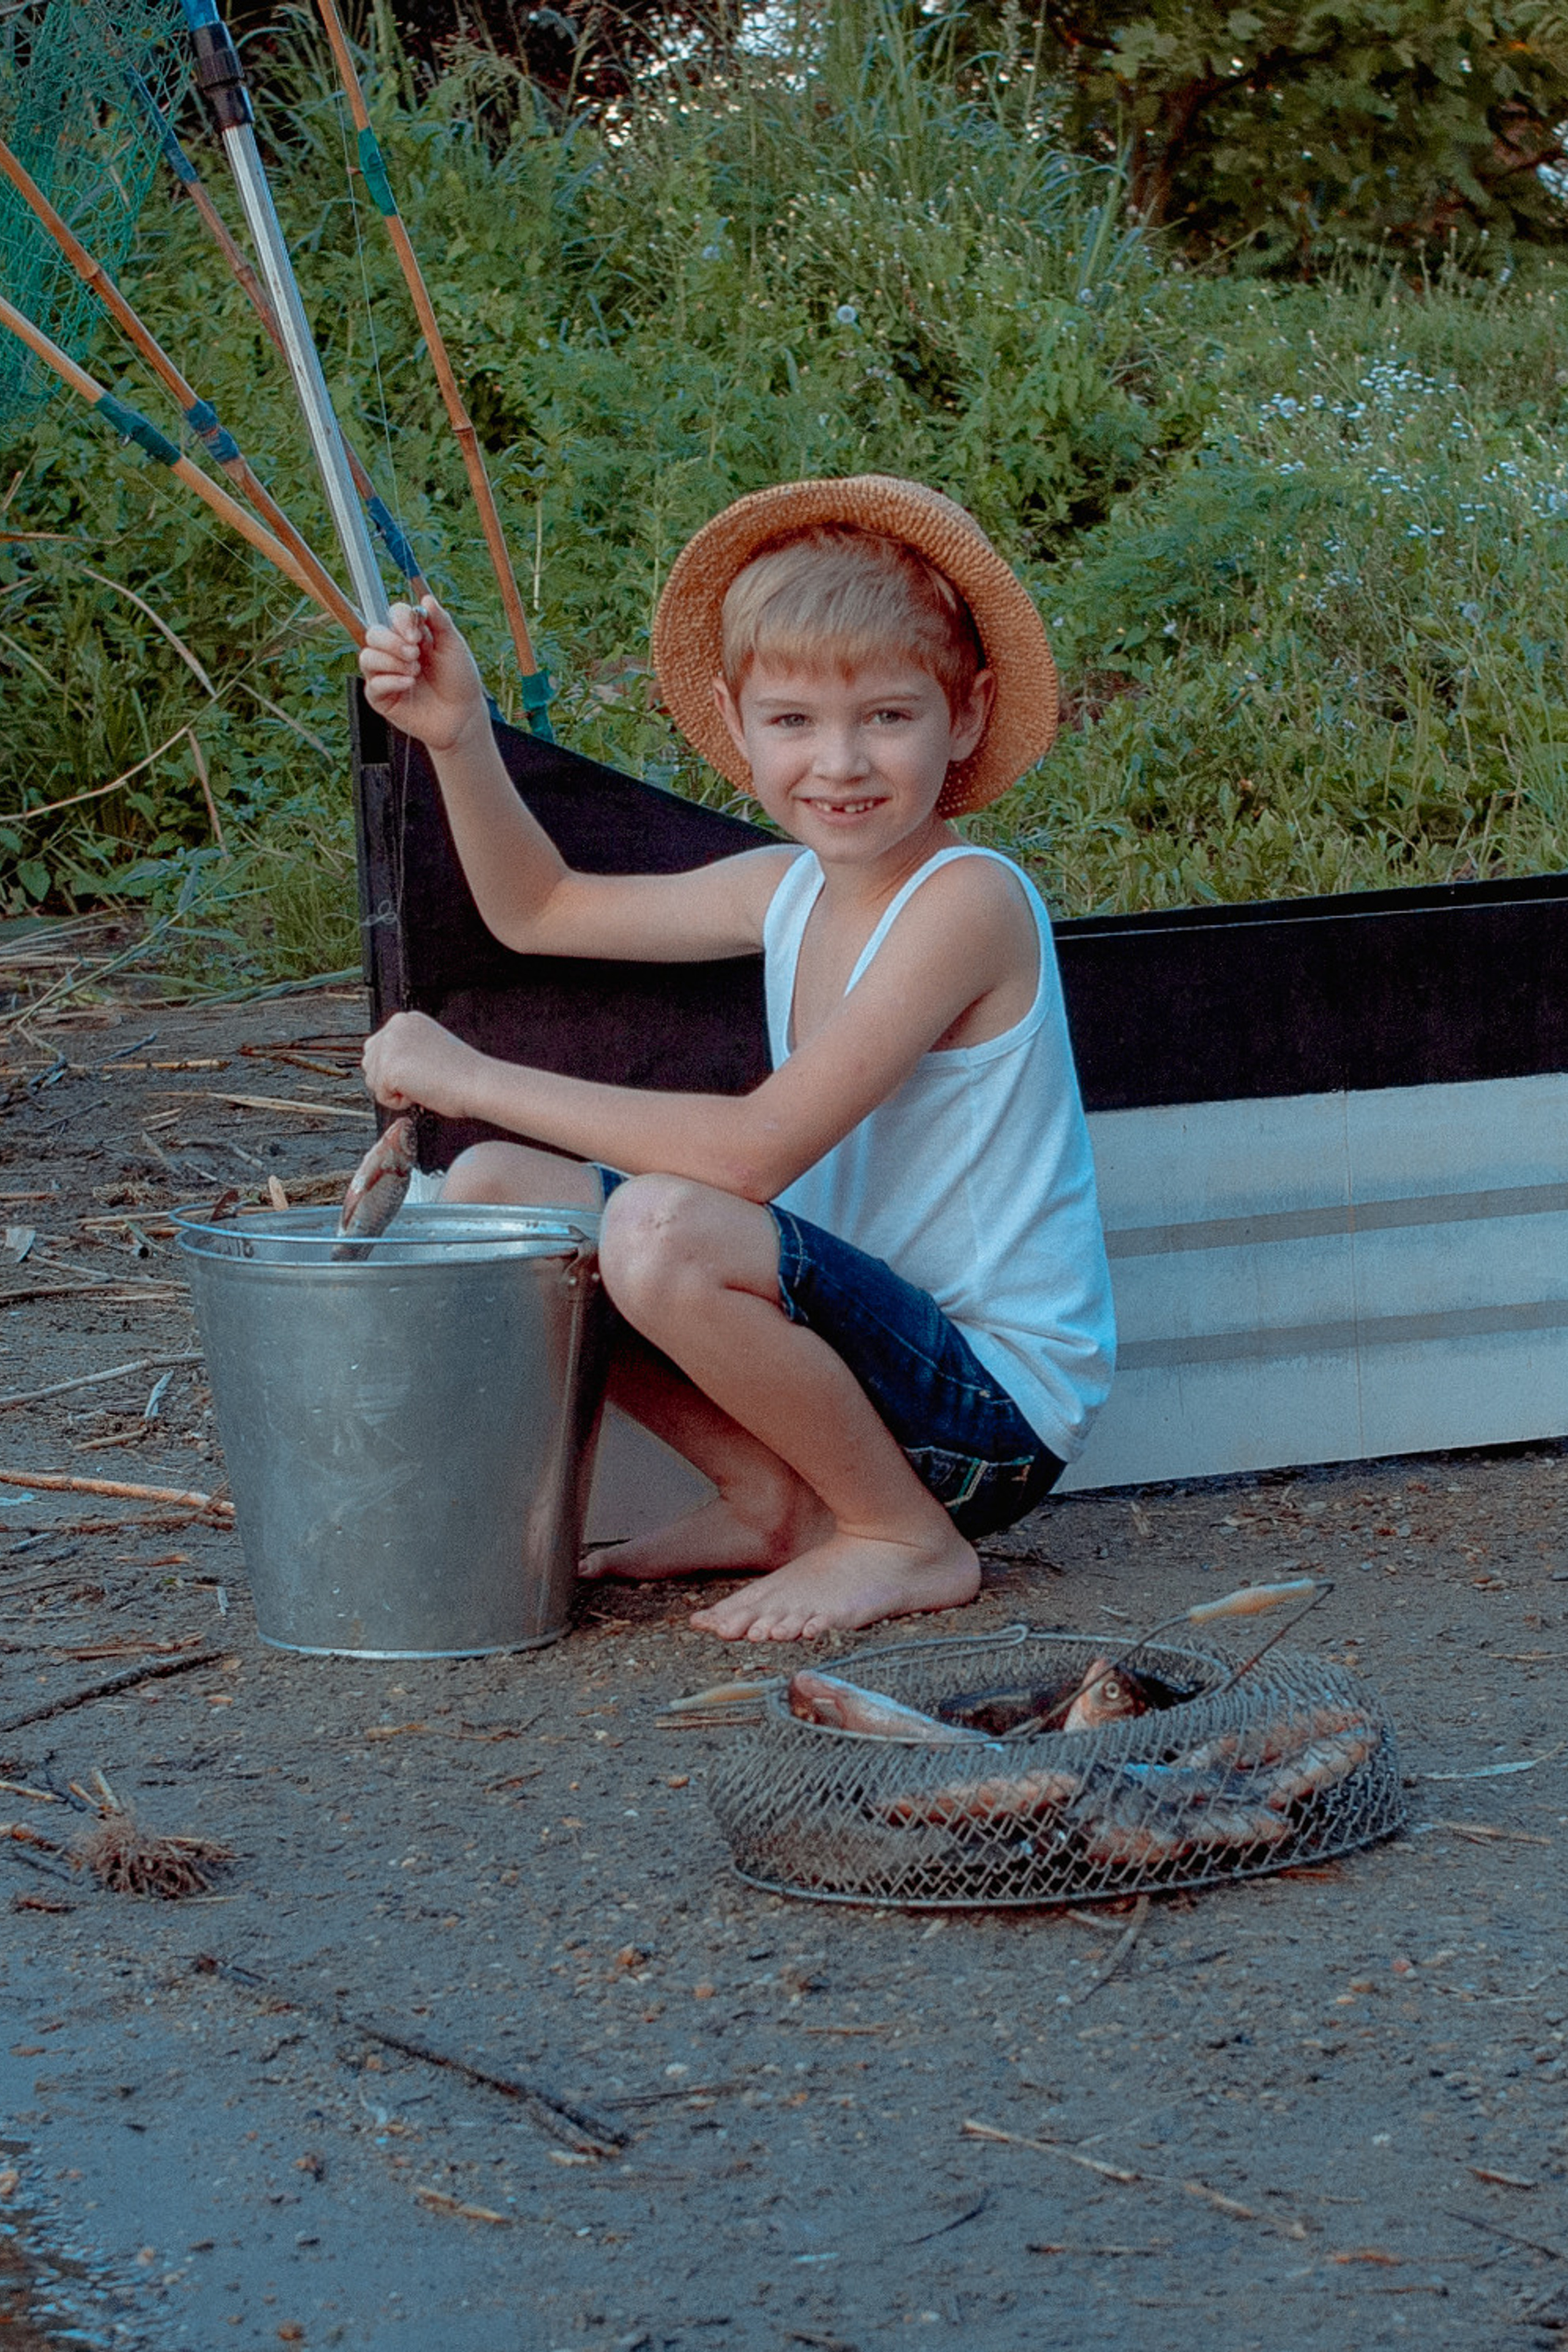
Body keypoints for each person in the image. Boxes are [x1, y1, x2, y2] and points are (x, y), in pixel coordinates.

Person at [357, 475, 1114, 1643]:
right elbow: (539, 907)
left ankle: (905, 1538)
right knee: (496, 1194)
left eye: (889, 717)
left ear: (965, 715)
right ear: (738, 719)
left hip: (983, 1408)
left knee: (662, 1227)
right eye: (795, 721)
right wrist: (461, 735)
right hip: (851, 1371)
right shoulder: (789, 888)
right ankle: (771, 1496)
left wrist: (467, 1078)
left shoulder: (968, 904)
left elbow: (752, 1158)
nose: (842, 764)